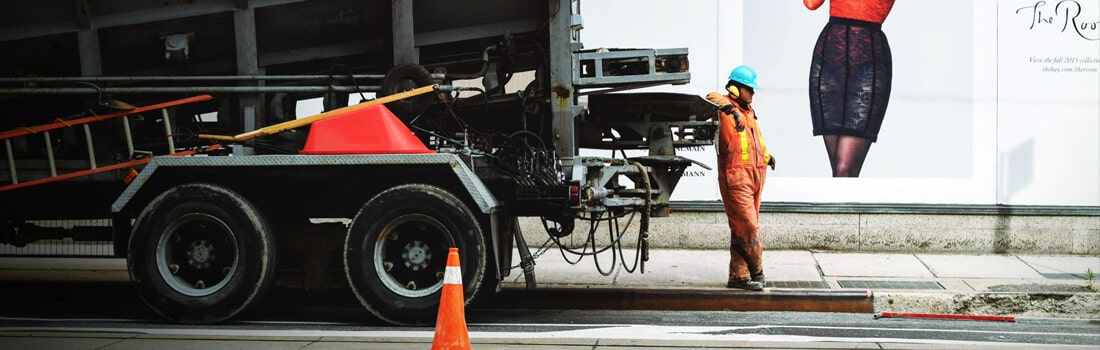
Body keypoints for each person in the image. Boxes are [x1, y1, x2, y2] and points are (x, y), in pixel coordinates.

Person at [804, 0, 895, 177]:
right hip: (830, 57)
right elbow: (811, 3)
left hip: (868, 60)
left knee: (844, 168)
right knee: (840, 170)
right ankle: (841, 204)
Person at [706, 65, 774, 291]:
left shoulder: (750, 112)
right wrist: (730, 108)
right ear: (735, 89)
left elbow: (755, 141)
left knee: (740, 229)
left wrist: (767, 156)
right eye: (749, 89)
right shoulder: (726, 109)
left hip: (756, 176)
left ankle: (739, 277)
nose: (753, 93)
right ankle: (757, 269)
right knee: (749, 227)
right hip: (736, 177)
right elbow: (710, 97)